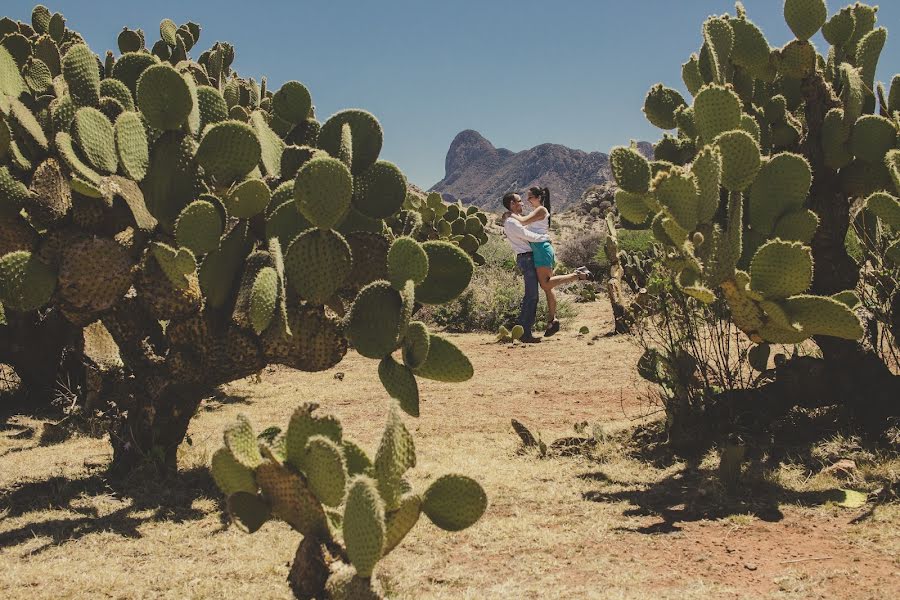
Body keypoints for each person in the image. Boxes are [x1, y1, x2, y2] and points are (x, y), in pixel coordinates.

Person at [501, 191, 590, 342]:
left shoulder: (519, 217)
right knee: (534, 294)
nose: (523, 203)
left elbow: (527, 227)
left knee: (544, 287)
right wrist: (545, 238)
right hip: (528, 258)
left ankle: (536, 326)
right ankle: (526, 332)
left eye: (527, 198)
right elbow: (527, 235)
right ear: (512, 204)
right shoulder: (511, 222)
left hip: (534, 255)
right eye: (520, 201)